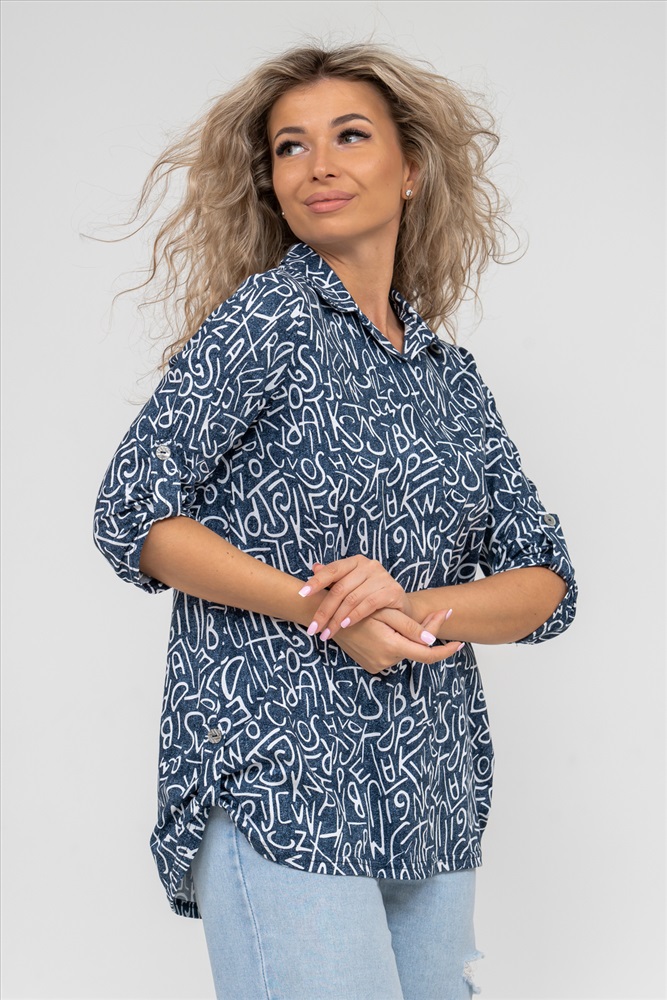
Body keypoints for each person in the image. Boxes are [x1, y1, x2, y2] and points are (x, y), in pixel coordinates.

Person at [93, 42, 577, 1000]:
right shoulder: (267, 318)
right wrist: (324, 607)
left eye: (349, 136)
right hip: (278, 776)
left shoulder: (448, 377)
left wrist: (413, 608)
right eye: (290, 147)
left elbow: (546, 585)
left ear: (412, 169)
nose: (317, 165)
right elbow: (131, 513)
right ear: (271, 185)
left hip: (427, 796)